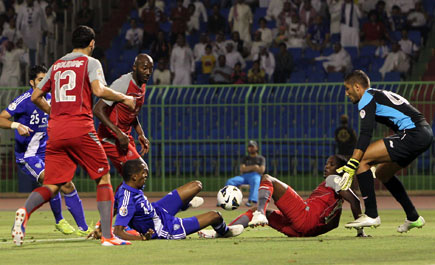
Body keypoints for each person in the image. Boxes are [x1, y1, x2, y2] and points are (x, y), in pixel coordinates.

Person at [12, 25, 136, 246]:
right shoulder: (91, 62)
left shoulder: (57, 64)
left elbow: (36, 96)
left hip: (56, 131)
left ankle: (24, 211)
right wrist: (123, 97)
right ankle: (107, 236)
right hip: (80, 127)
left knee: (52, 184)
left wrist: (54, 112)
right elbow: (99, 91)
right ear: (92, 43)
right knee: (103, 177)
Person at [0, 65, 91, 236]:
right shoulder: (24, 100)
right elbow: (1, 117)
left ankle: (84, 228)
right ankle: (50, 220)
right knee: (53, 181)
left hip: (49, 154)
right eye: (41, 79)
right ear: (32, 82)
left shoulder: (52, 99)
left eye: (46, 79)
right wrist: (16, 125)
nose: (45, 82)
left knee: (67, 184)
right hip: (28, 155)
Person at [339, 70, 433, 232]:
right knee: (383, 174)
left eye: (348, 89)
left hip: (412, 134)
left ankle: (371, 214)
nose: (347, 93)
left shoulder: (366, 98)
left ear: (357, 87)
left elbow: (366, 133)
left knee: (362, 161)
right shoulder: (379, 94)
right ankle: (413, 217)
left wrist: (352, 163)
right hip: (424, 133)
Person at [200, 155, 368, 238]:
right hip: (305, 231)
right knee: (266, 213)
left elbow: (354, 200)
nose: (326, 167)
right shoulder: (334, 200)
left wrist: (360, 228)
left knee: (267, 179)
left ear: (340, 170)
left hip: (304, 217)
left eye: (331, 165)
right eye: (326, 163)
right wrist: (359, 233)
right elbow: (334, 224)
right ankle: (222, 232)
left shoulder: (335, 179)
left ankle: (259, 211)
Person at [93, 159, 244, 240]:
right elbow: (119, 231)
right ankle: (224, 232)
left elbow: (115, 206)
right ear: (134, 176)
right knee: (215, 216)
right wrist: (142, 238)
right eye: (144, 174)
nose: (146, 176)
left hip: (158, 209)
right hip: (166, 227)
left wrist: (102, 226)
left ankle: (183, 205)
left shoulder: (129, 187)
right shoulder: (127, 199)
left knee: (196, 185)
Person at [94, 54, 152, 176]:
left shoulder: (142, 85)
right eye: (145, 68)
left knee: (132, 176)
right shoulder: (122, 84)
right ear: (135, 67)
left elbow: (131, 111)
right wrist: (118, 133)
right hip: (110, 136)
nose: (148, 72)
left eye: (151, 69)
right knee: (138, 172)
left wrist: (140, 133)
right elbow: (98, 109)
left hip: (124, 136)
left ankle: (118, 196)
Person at [225, 140, 265, 207]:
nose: (251, 148)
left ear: (257, 148)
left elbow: (262, 170)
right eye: (249, 146)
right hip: (244, 176)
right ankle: (228, 200)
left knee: (256, 181)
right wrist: (255, 167)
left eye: (252, 146)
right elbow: (242, 169)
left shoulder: (261, 158)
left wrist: (248, 168)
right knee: (230, 181)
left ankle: (252, 200)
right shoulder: (245, 158)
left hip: (255, 175)